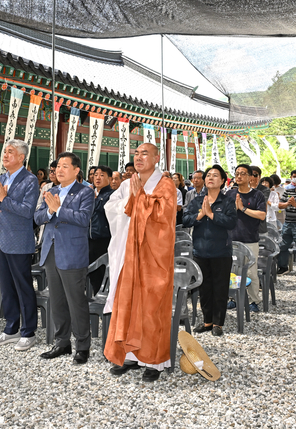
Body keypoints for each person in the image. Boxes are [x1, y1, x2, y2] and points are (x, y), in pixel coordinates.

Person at [104, 143, 176, 382]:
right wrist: (133, 199)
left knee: (151, 308)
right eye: (136, 153)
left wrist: (140, 198)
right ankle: (132, 356)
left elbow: (163, 216)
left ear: (156, 158)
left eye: (145, 153)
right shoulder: (127, 183)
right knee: (129, 303)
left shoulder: (166, 184)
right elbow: (112, 208)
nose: (139, 157)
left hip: (154, 256)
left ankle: (154, 361)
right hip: (130, 253)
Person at [35, 152, 94, 364]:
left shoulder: (85, 192)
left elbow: (82, 218)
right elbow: (38, 216)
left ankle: (82, 346)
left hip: (72, 253)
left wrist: (59, 209)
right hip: (50, 251)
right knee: (57, 300)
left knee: (76, 301)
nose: (59, 170)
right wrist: (50, 212)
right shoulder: (51, 190)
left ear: (77, 170)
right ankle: (62, 343)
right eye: (58, 166)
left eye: (65, 166)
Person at [0, 140, 40, 350]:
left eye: (10, 152)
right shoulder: (1, 178)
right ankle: (11, 328)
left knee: (23, 286)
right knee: (6, 287)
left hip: (18, 240)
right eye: (5, 151)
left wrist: (4, 199)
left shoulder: (30, 180)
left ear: (21, 157)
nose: (5, 155)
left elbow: (28, 211)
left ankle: (28, 332)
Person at [182, 165, 237, 337]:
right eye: (208, 175)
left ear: (222, 181)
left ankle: (218, 323)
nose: (210, 178)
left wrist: (212, 215)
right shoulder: (198, 200)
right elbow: (185, 219)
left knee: (220, 289)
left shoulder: (227, 201)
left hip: (221, 252)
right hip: (200, 252)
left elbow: (231, 222)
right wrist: (200, 215)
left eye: (215, 175)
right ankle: (207, 321)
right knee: (204, 288)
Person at [226, 164, 266, 313]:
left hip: (250, 239)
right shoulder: (230, 194)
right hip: (231, 239)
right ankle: (233, 299)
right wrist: (233, 210)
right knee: (232, 270)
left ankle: (253, 300)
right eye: (237, 173)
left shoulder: (257, 195)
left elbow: (262, 215)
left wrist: (243, 209)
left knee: (250, 271)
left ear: (250, 177)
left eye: (243, 173)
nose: (239, 176)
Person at [89, 165, 114, 294]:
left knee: (100, 273)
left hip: (103, 239)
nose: (97, 177)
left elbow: (104, 209)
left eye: (102, 175)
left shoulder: (111, 195)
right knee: (90, 273)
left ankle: (101, 301)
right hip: (89, 239)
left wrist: (92, 200)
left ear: (109, 179)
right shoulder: (92, 193)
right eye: (95, 175)